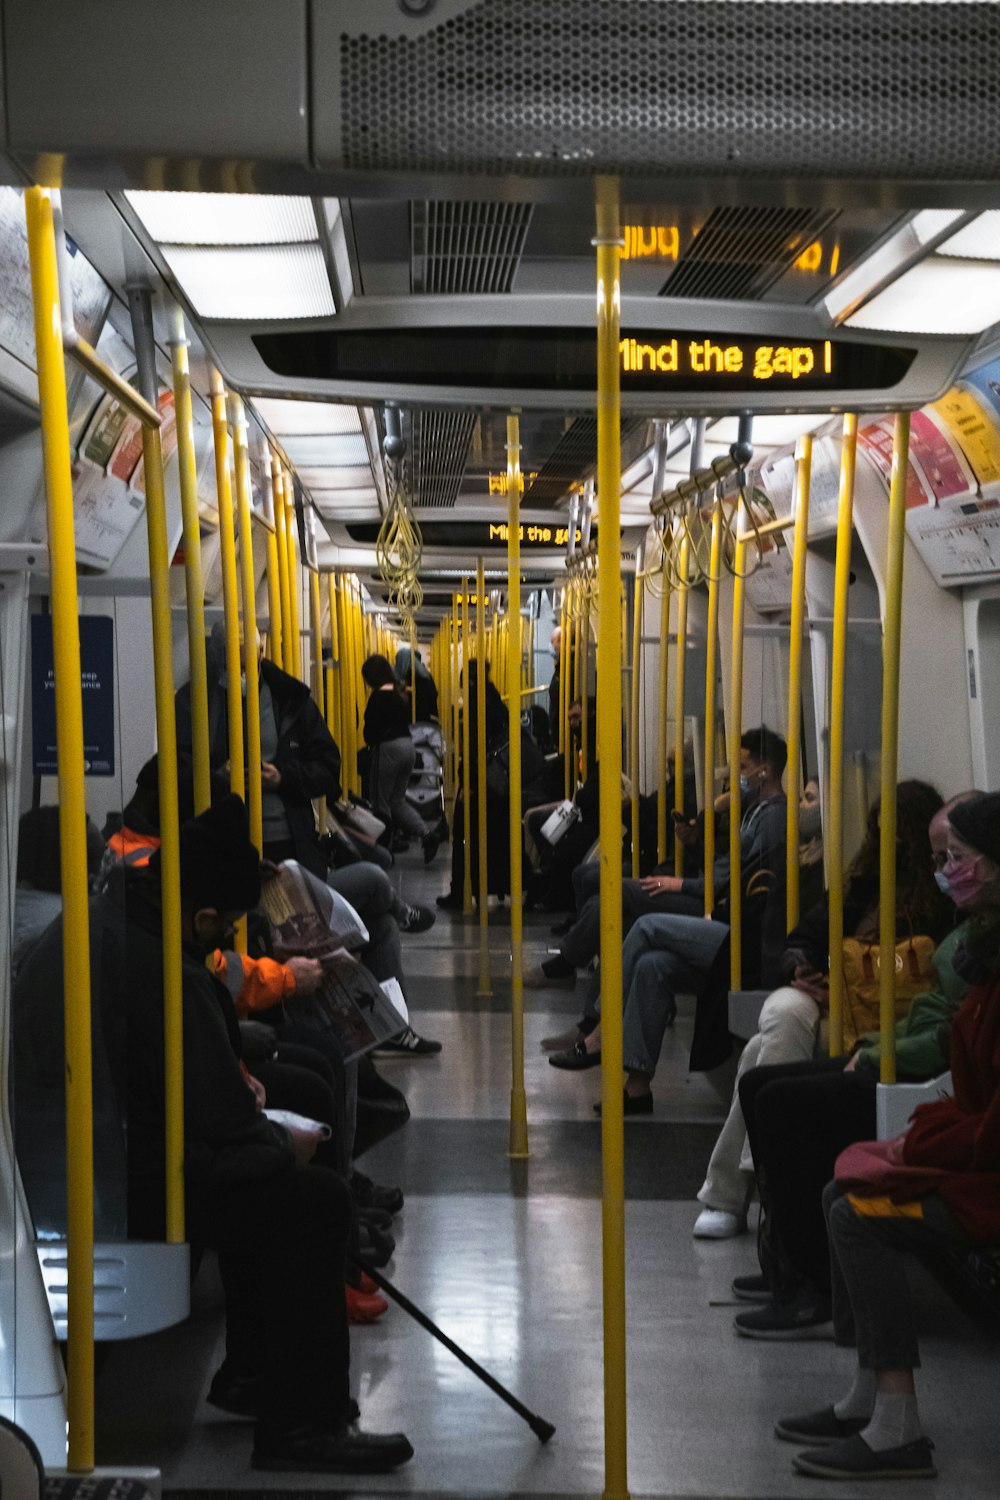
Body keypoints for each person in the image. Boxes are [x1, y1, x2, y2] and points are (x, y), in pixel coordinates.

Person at [774, 790, 1000, 1481]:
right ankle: (870, 1392)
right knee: (841, 1190)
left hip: (985, 1168)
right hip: (974, 1146)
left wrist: (918, 1145)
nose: (944, 874)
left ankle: (898, 1425)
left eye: (955, 860)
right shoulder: (981, 954)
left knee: (858, 1219)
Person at [732, 792, 986, 1340]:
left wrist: (874, 1051)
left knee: (781, 1100)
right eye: (941, 858)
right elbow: (935, 1014)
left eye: (955, 857)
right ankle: (791, 1260)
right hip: (900, 1045)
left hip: (927, 1073)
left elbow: (946, 1031)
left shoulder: (963, 931)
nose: (946, 870)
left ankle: (813, 1282)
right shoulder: (960, 926)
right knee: (759, 1082)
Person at [693, 780, 952, 1239]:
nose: (888, 843)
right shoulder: (857, 889)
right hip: (829, 1000)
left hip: (882, 1017)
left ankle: (731, 1192)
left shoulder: (942, 903)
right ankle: (757, 1171)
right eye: (880, 831)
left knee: (758, 1053)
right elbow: (802, 938)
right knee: (786, 1015)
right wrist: (800, 968)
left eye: (899, 834)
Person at [541, 727, 788, 1070]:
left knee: (617, 893)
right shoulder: (748, 809)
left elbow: (734, 883)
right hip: (705, 891)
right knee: (620, 921)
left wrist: (680, 884)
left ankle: (590, 1008)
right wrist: (704, 824)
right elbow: (719, 864)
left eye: (743, 768)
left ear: (765, 770)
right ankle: (626, 1068)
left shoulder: (773, 819)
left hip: (717, 909)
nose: (738, 776)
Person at [176, 622, 341, 877]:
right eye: (235, 667)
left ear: (261, 652)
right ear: (218, 658)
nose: (243, 675)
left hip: (285, 837)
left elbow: (328, 768)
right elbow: (174, 771)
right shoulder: (193, 704)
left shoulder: (290, 701)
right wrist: (216, 778)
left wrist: (283, 778)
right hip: (220, 839)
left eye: (250, 665)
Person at [362, 653, 441, 863]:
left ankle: (384, 850)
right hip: (408, 747)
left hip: (388, 750)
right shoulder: (399, 693)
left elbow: (369, 733)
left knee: (381, 804)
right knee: (397, 801)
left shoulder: (378, 697)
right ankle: (426, 834)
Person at [394, 646, 438, 722]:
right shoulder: (426, 675)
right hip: (426, 721)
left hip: (409, 722)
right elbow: (434, 694)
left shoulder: (402, 679)